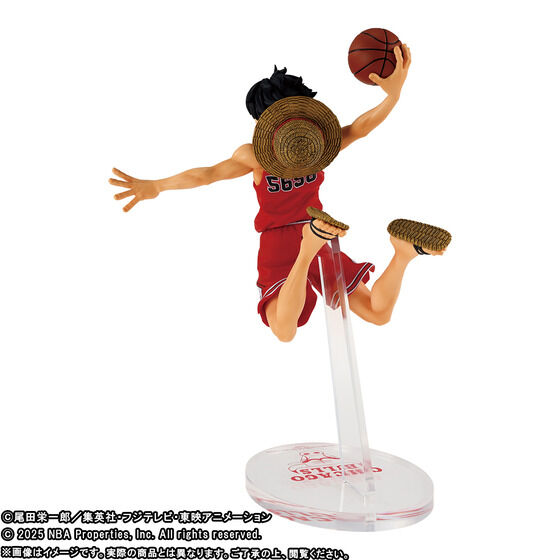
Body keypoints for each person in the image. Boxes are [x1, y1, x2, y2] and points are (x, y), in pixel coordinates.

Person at [109, 45, 447, 343]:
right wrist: (157, 185)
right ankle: (334, 249)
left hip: (310, 234)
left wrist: (393, 96)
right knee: (308, 324)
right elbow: (206, 175)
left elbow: (359, 128)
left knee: (352, 318)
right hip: (303, 234)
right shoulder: (259, 156)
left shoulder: (314, 147)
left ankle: (400, 252)